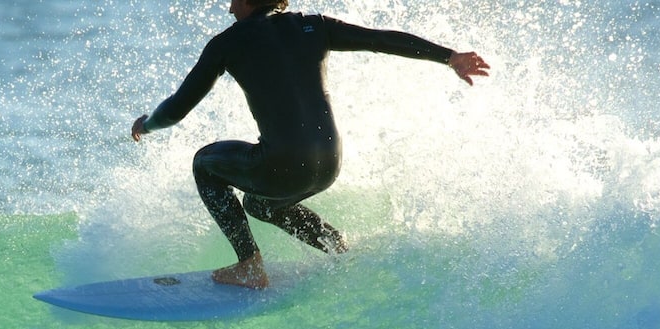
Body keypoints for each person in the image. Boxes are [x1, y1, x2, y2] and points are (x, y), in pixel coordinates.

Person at [129, 0, 491, 289]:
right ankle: (339, 248)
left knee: (203, 163)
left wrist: (147, 124)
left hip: (283, 166)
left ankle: (249, 266)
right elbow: (381, 40)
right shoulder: (314, 26)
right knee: (260, 204)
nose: (227, 7)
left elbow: (178, 108)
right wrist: (449, 57)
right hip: (329, 163)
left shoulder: (227, 44)